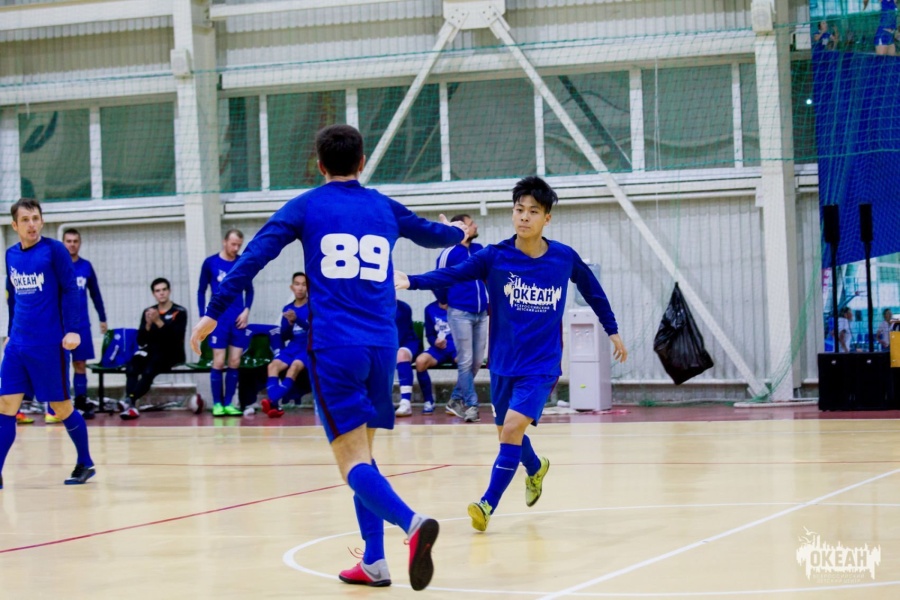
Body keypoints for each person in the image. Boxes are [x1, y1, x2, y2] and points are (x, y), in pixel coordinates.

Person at [191, 124, 466, 591]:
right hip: (383, 347)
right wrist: (457, 232)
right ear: (362, 163)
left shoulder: (306, 206)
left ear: (319, 165)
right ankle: (374, 562)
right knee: (365, 455)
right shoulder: (383, 206)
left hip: (336, 346)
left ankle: (412, 523)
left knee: (350, 462)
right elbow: (432, 235)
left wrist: (213, 312)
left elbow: (253, 257)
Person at [396, 175, 628, 532]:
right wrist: (412, 281)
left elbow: (593, 292)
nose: (524, 217)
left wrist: (612, 330)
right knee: (507, 432)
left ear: (547, 218)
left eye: (533, 211)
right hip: (504, 363)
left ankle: (486, 504)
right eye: (519, 209)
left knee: (512, 428)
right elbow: (452, 275)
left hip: (541, 364)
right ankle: (535, 467)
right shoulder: (495, 257)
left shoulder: (563, 258)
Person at [0, 198, 96, 489]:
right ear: (14, 225)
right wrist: (9, 333)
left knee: (60, 407)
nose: (32, 224)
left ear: (41, 221)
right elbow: (13, 298)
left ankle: (85, 462)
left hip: (48, 345)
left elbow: (71, 290)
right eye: (25, 220)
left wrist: (73, 330)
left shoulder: (54, 250)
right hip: (17, 345)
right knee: (6, 405)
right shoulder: (10, 255)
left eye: (35, 218)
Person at [435, 214, 488, 423]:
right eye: (471, 223)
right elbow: (438, 278)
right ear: (462, 228)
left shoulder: (479, 249)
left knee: (476, 362)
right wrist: (443, 299)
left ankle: (455, 399)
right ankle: (472, 405)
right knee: (465, 360)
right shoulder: (449, 253)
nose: (475, 226)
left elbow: (487, 276)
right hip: (460, 313)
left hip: (481, 313)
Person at [198, 229, 255, 417]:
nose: (236, 248)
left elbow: (250, 290)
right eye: (233, 244)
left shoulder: (242, 263)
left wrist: (246, 310)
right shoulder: (210, 263)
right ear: (225, 242)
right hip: (218, 319)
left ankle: (229, 402)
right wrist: (203, 315)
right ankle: (217, 404)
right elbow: (201, 290)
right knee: (219, 361)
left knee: (235, 361)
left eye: (239, 245)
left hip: (237, 319)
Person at [118, 278, 188, 420]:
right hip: (152, 351)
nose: (161, 293)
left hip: (172, 352)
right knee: (132, 365)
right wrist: (148, 325)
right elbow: (141, 341)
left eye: (164, 290)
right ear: (153, 294)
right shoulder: (149, 312)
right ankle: (131, 404)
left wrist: (158, 321)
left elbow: (175, 338)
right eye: (157, 291)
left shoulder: (179, 312)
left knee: (149, 369)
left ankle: (130, 400)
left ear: (169, 291)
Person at [60, 228, 107, 421]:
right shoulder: (56, 266)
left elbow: (95, 293)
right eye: (68, 241)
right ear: (63, 243)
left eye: (75, 241)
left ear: (80, 243)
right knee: (60, 364)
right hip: (60, 325)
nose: (72, 244)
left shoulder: (86, 266)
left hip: (81, 325)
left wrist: (102, 317)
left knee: (80, 363)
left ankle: (80, 401)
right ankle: (60, 404)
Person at [262, 272, 310, 419]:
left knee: (294, 367)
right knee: (272, 366)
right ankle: (274, 405)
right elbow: (285, 336)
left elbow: (315, 330)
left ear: (308, 287)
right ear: (292, 287)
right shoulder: (287, 308)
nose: (300, 288)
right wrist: (289, 324)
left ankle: (272, 401)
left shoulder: (313, 306)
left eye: (304, 285)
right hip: (293, 347)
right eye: (297, 284)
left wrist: (297, 319)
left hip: (307, 347)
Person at [404, 301, 456, 416]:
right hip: (439, 349)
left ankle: (457, 400)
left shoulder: (459, 305)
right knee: (420, 361)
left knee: (465, 362)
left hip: (457, 347)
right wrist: (435, 342)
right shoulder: (430, 309)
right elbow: (430, 334)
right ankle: (428, 401)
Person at [394, 299, 421, 418]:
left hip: (406, 342)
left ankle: (405, 403)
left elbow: (400, 334)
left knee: (401, 354)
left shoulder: (402, 308)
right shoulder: (368, 306)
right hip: (383, 344)